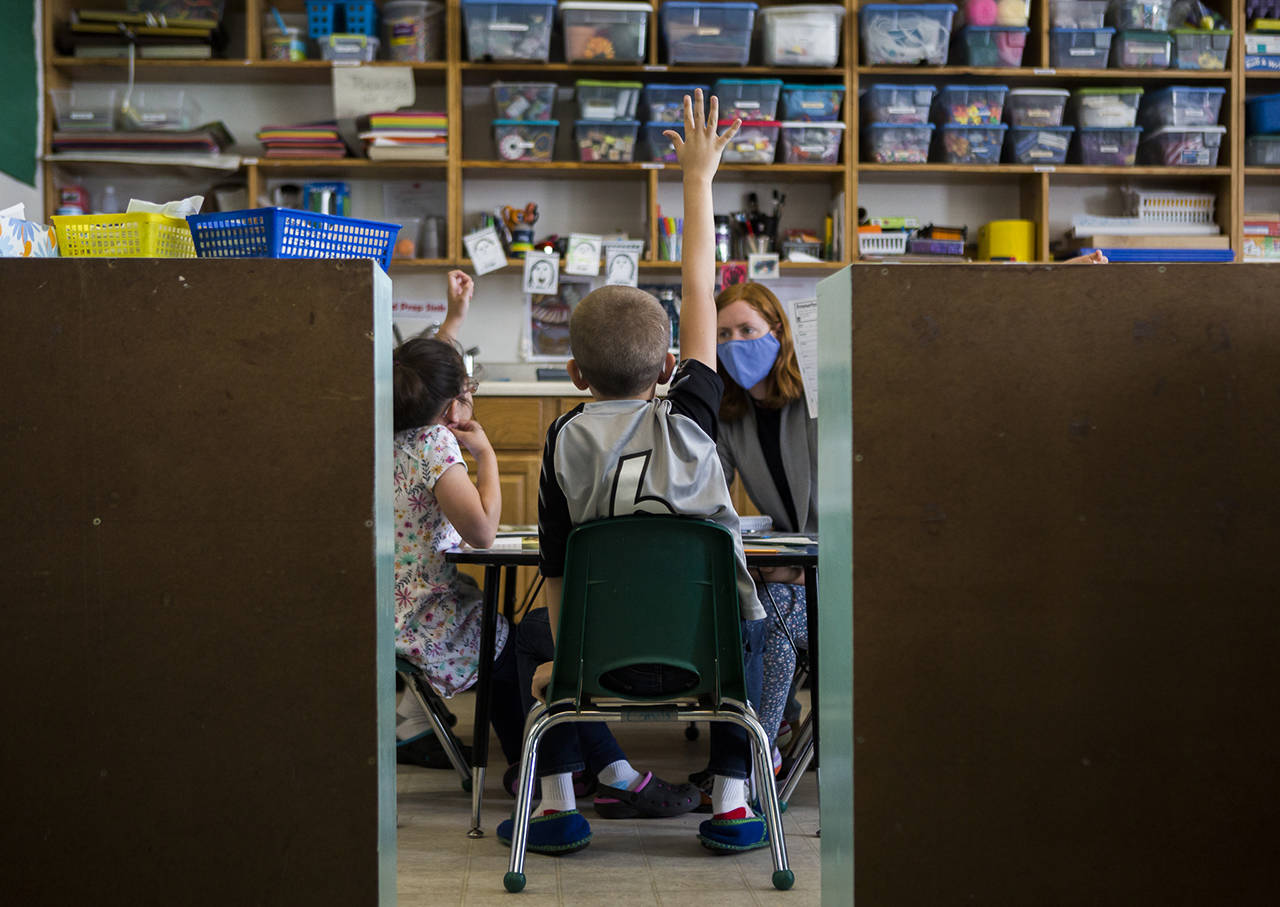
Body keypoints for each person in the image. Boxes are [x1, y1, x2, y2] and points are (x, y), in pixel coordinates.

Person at [496, 90, 773, 857]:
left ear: (573, 372)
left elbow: (557, 563)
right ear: (668, 364)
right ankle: (731, 800)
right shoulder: (690, 414)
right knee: (752, 617)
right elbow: (697, 291)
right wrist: (698, 176)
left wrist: (564, 654)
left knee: (531, 637)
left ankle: (557, 806)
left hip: (595, 663)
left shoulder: (560, 441)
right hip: (709, 659)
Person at [712, 249, 1113, 768]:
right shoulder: (732, 415)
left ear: (778, 330)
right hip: (795, 575)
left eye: (746, 330)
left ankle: (752, 766)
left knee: (778, 608)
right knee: (754, 601)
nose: (734, 345)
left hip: (857, 575)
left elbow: (938, 331)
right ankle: (768, 738)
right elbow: (713, 497)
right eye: (722, 336)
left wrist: (1047, 278)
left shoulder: (823, 389)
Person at [391, 269, 526, 772]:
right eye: (467, 390)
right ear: (451, 407)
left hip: (384, 606)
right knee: (508, 642)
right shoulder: (435, 444)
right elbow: (482, 533)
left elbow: (424, 371)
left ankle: (413, 720)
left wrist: (454, 318)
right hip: (422, 618)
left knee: (485, 609)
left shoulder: (386, 426)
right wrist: (487, 456)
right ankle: (522, 763)